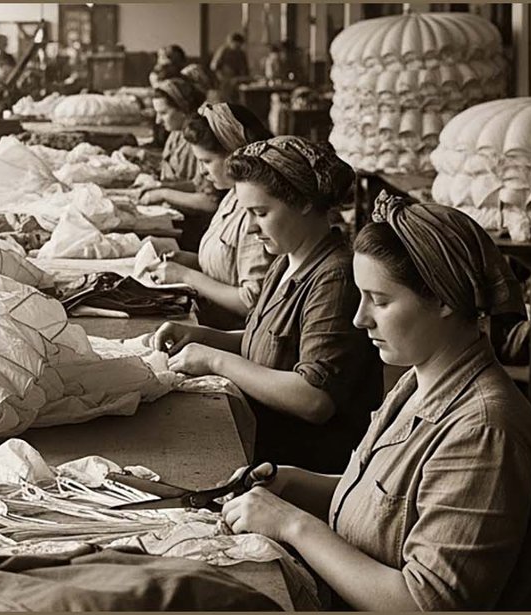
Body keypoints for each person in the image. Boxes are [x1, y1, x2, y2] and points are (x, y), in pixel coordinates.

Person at [219, 196, 531, 610]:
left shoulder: (484, 435)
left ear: (444, 299)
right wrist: (293, 483)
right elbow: (387, 509)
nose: (360, 318)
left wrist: (292, 524)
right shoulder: (418, 380)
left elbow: (424, 603)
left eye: (379, 301)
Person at [148, 136, 383, 473]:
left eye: (261, 212)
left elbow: (314, 398)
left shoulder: (336, 278)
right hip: (262, 446)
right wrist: (203, 337)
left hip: (303, 468)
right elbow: (270, 340)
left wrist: (215, 360)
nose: (252, 227)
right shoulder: (288, 259)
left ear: (303, 202)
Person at [139, 102, 275, 329]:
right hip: (208, 320)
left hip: (230, 335)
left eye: (206, 161)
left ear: (234, 153)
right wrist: (186, 260)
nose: (201, 170)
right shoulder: (232, 196)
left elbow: (251, 301)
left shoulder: (255, 213)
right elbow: (230, 266)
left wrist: (185, 276)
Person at [211, 32, 251, 102]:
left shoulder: (241, 53)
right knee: (225, 100)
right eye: (236, 45)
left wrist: (244, 78)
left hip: (238, 81)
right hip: (224, 80)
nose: (238, 48)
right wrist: (222, 78)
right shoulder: (223, 51)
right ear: (231, 42)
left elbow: (245, 69)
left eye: (239, 46)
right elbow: (214, 67)